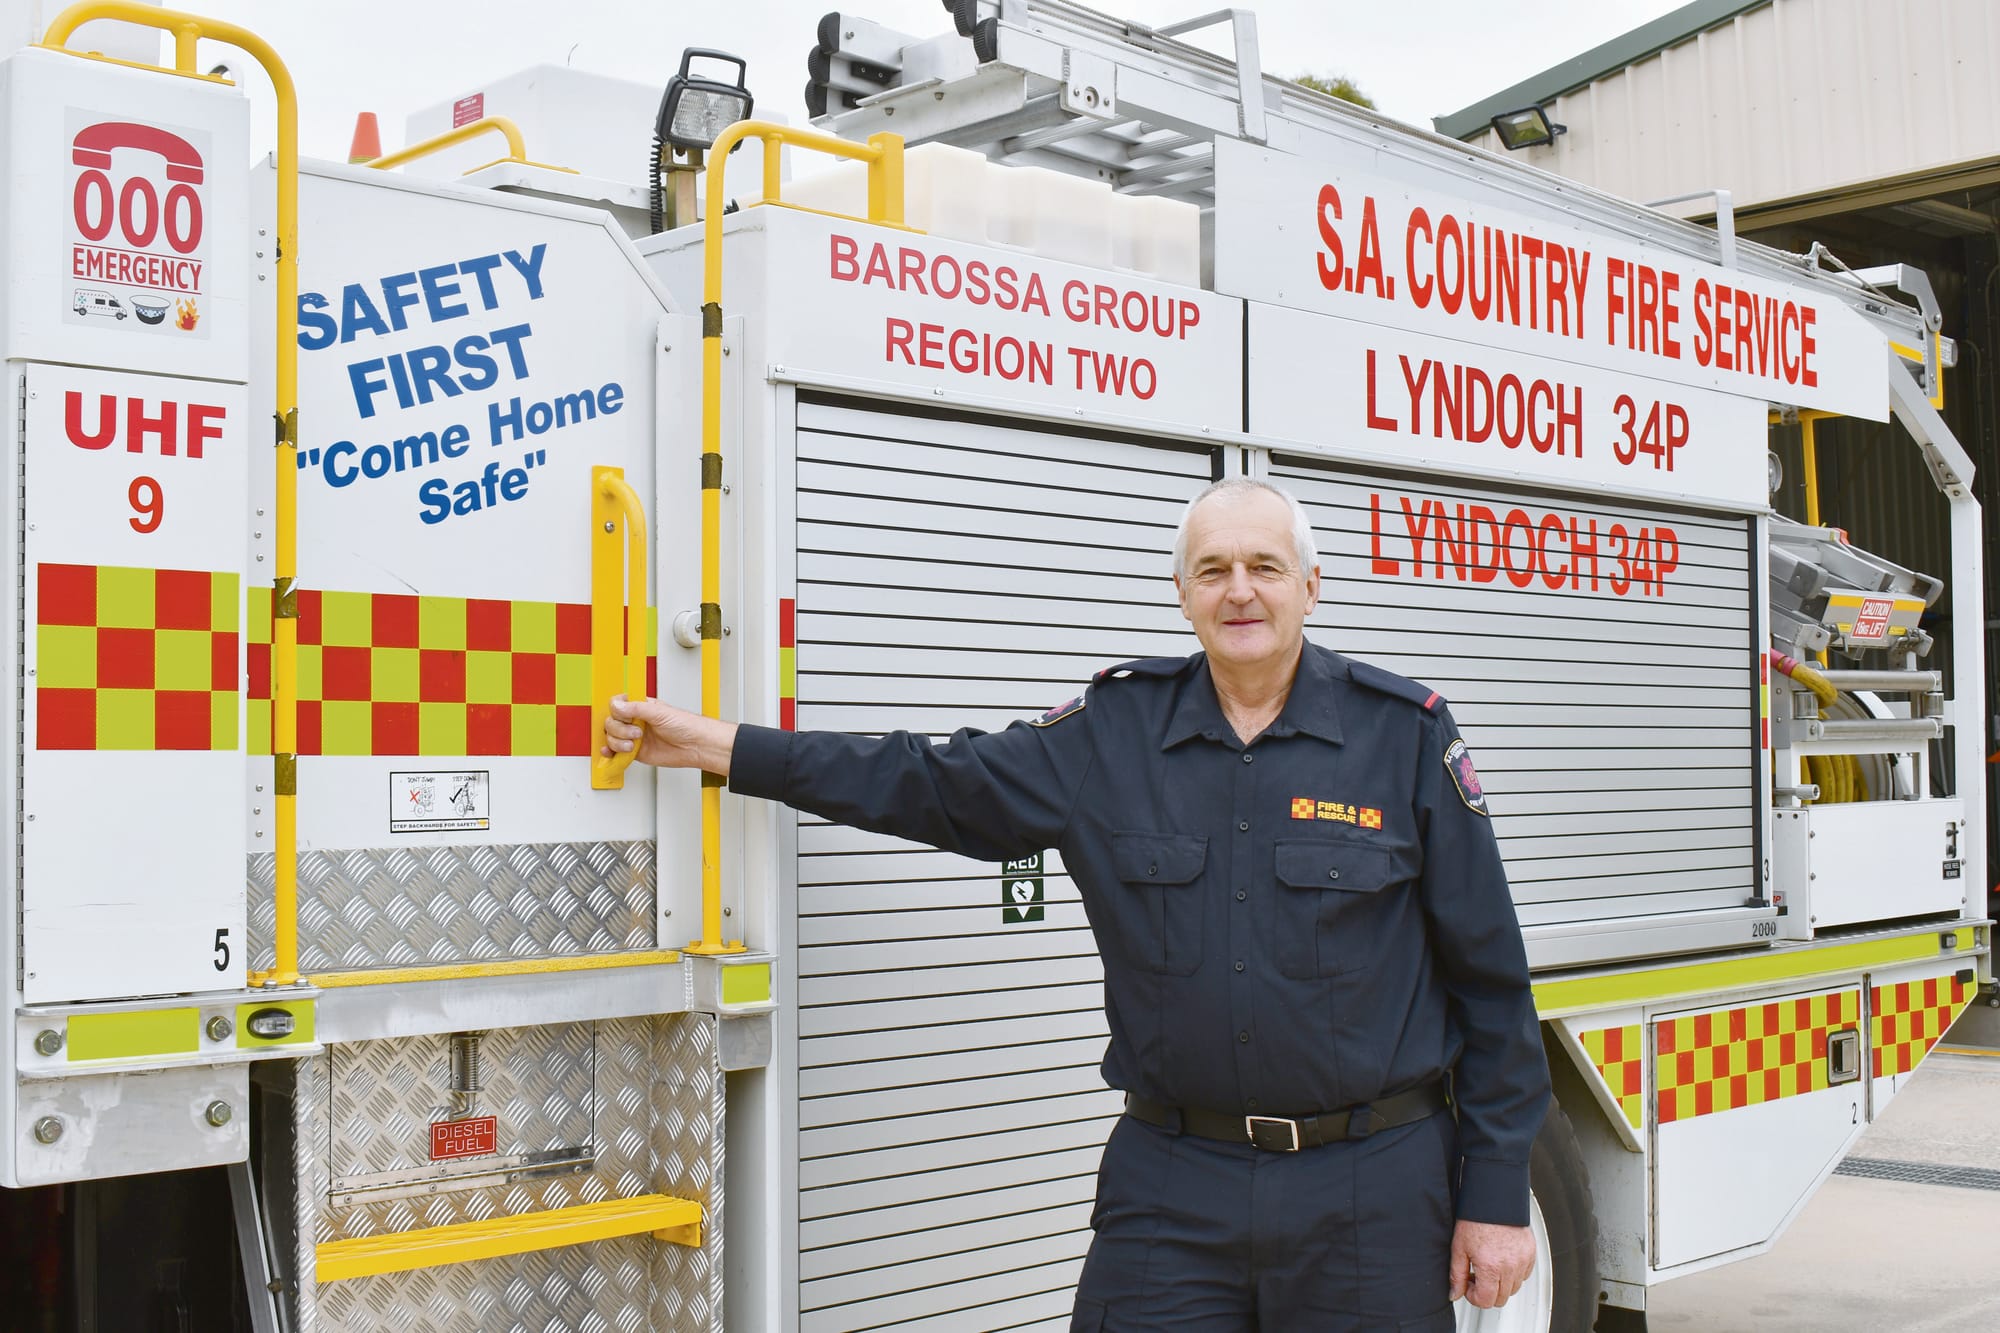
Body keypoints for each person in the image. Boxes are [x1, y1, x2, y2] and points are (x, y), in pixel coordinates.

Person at [606, 477, 1550, 1330]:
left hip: (1372, 1187)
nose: (1240, 590)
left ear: (1312, 585)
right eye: (1212, 569)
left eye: (1266, 566)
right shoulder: (1114, 730)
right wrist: (723, 748)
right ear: (1182, 594)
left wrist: (1497, 1192)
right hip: (1176, 1182)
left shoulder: (1405, 736)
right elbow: (930, 781)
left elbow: (1491, 981)